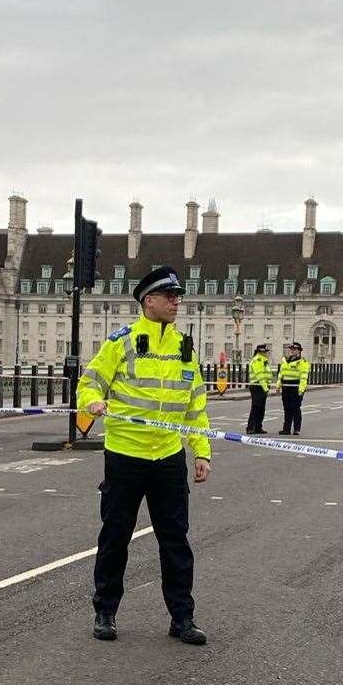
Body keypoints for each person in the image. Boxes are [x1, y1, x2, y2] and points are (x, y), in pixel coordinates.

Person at [77, 265, 212, 646]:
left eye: (178, 296)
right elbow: (89, 383)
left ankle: (182, 617)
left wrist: (202, 452)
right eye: (169, 296)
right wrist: (93, 402)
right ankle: (105, 611)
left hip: (168, 457)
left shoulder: (184, 348)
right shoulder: (121, 342)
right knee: (116, 536)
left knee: (175, 540)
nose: (176, 302)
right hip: (126, 454)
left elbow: (195, 408)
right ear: (147, 300)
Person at [276, 341, 310, 436]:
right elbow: (281, 374)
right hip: (286, 387)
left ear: (299, 351)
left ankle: (296, 429)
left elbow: (304, 377)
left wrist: (301, 390)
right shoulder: (286, 360)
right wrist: (278, 385)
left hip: (296, 387)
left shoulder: (302, 362)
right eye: (291, 349)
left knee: (295, 408)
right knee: (287, 408)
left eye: (295, 349)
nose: (292, 351)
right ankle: (286, 429)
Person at [246, 344, 272, 435]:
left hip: (262, 386)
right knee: (256, 407)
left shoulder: (263, 360)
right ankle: (250, 427)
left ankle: (258, 427)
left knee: (261, 408)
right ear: (261, 352)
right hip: (258, 386)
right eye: (265, 352)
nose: (266, 353)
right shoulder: (258, 360)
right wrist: (265, 387)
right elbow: (259, 375)